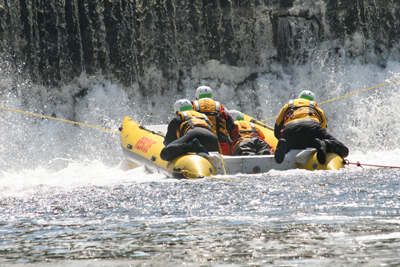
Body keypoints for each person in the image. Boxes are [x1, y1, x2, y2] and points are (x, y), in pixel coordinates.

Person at [274, 90, 349, 164]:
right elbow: (323, 131)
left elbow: (277, 130)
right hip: (310, 127)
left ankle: (286, 146)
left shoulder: (287, 107)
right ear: (312, 101)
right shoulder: (318, 110)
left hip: (290, 130)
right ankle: (324, 144)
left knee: (291, 140)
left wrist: (283, 138)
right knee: (344, 150)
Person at [191, 86, 239, 155]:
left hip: (199, 143)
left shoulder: (193, 106)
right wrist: (234, 142)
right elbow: (232, 127)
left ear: (197, 96)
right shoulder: (220, 107)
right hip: (221, 144)